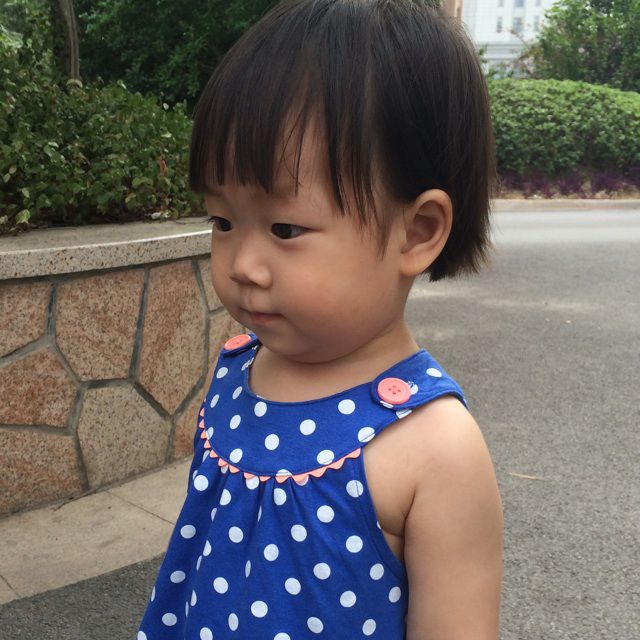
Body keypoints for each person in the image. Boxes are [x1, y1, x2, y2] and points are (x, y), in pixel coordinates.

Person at [137, 0, 503, 638]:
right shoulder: (236, 371)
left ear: (417, 231)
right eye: (222, 220)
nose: (243, 264)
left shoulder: (435, 447)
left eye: (285, 228)